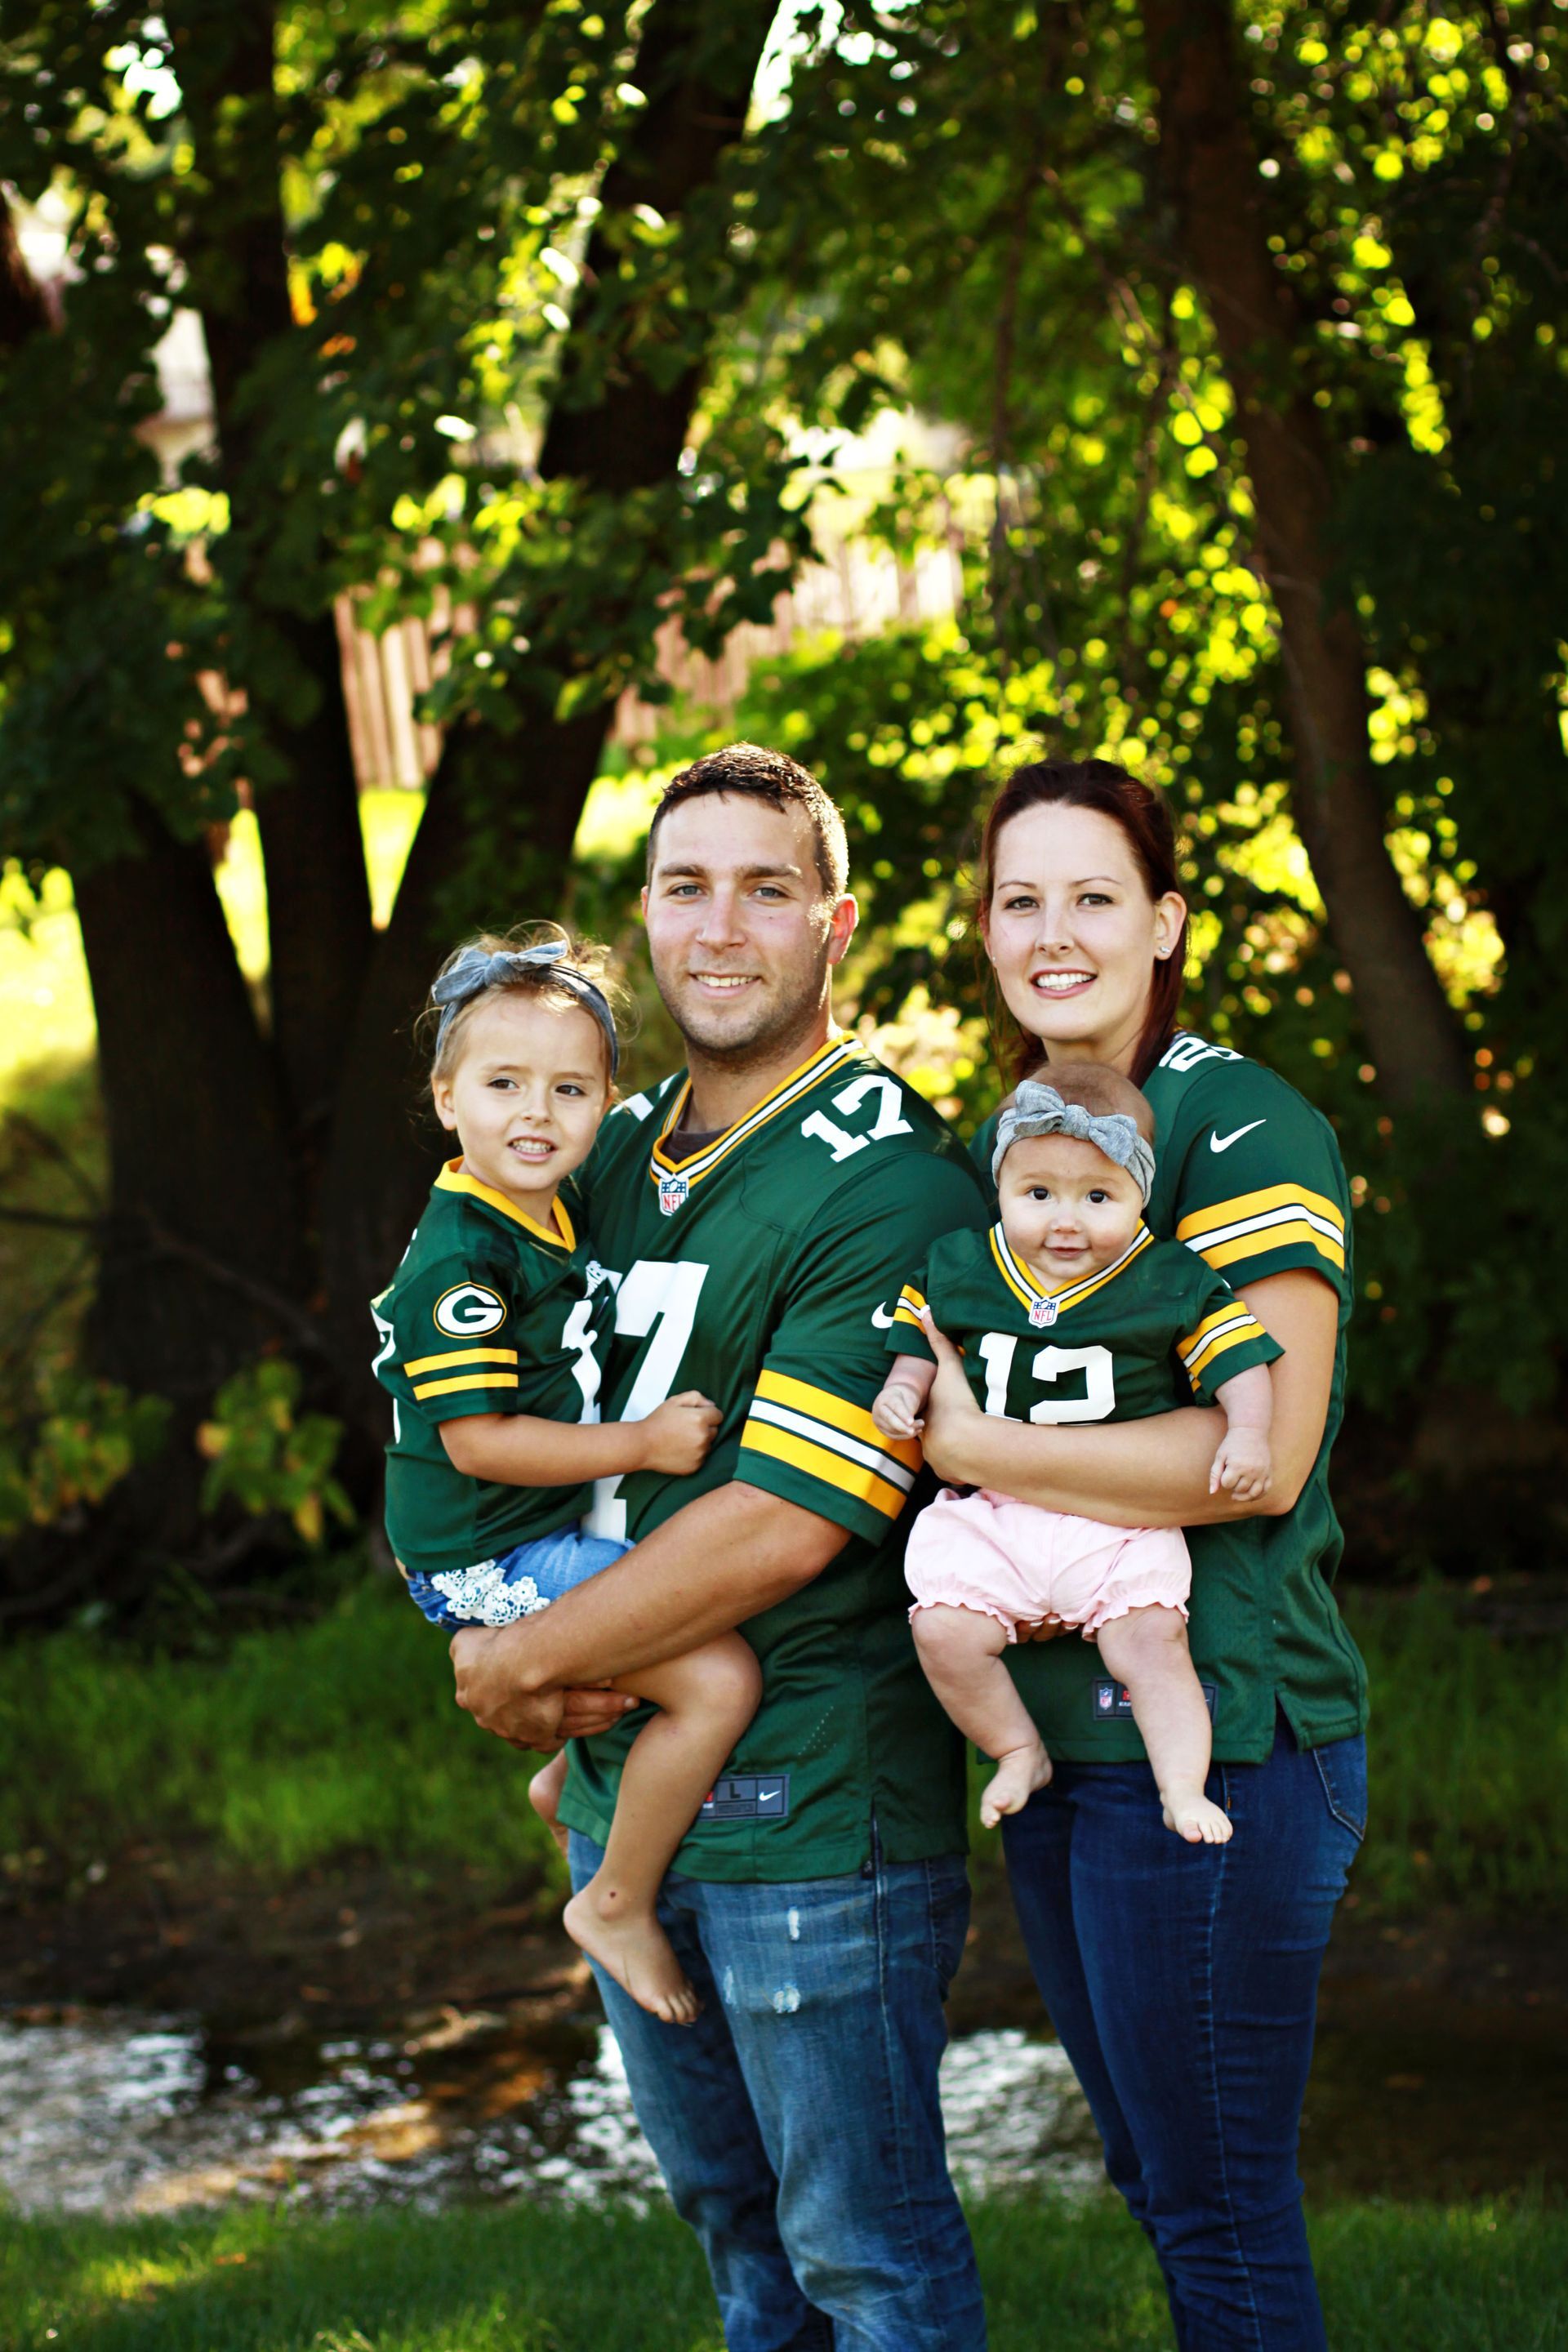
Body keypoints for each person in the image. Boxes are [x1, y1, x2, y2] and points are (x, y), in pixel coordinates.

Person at [448, 746, 991, 2352]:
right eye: (688, 886)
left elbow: (781, 1526)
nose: (722, 924)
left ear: (834, 925)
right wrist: (498, 1635)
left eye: (767, 889)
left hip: (819, 1816)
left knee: (865, 2265)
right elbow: (476, 1433)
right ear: (647, 919)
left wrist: (519, 1659)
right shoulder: (593, 1156)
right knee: (743, 2255)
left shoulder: (890, 1178)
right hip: (629, 1805)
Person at [917, 756, 1366, 2352]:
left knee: (1217, 2208)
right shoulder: (1033, 1132)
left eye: (1094, 896)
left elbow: (1259, 1460)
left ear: (1165, 920)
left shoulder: (1241, 1122)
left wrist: (973, 1456)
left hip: (1227, 1737)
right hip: (1070, 1733)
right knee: (1156, 2174)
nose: (1054, 932)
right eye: (1019, 897)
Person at [372, 924, 757, 2026]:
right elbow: (479, 1441)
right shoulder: (463, 1256)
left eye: (570, 1090)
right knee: (718, 1678)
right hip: (481, 1553)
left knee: (675, 1614)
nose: (536, 1113)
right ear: (447, 1098)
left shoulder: (548, 1208)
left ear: (604, 1105)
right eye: (503, 1084)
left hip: (533, 1529)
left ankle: (565, 1783)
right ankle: (614, 1900)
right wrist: (640, 1444)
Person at [873, 1062, 1281, 1844]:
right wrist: (903, 1389)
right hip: (997, 1513)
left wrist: (1249, 1431)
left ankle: (1183, 1789)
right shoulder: (963, 1264)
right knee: (943, 1634)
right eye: (1038, 1195)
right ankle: (1016, 1748)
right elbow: (920, 1340)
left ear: (1140, 1196)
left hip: (1114, 1517)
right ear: (1001, 1187)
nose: (1066, 1221)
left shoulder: (1168, 1279)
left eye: (1098, 1198)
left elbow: (1239, 1361)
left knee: (1154, 1647)